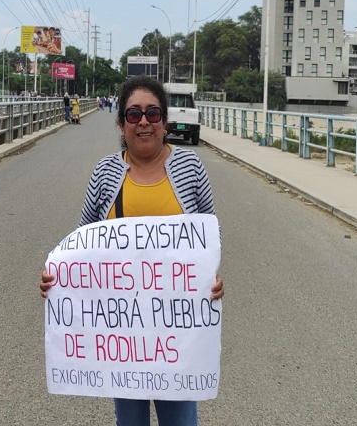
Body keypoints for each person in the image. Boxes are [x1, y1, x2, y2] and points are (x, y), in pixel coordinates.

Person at [40, 75, 223, 426]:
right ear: (121, 123)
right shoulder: (106, 172)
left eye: (153, 114)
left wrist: (210, 279)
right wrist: (57, 278)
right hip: (124, 336)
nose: (143, 122)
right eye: (134, 114)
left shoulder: (190, 167)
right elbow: (82, 241)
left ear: (165, 122)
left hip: (176, 338)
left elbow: (209, 237)